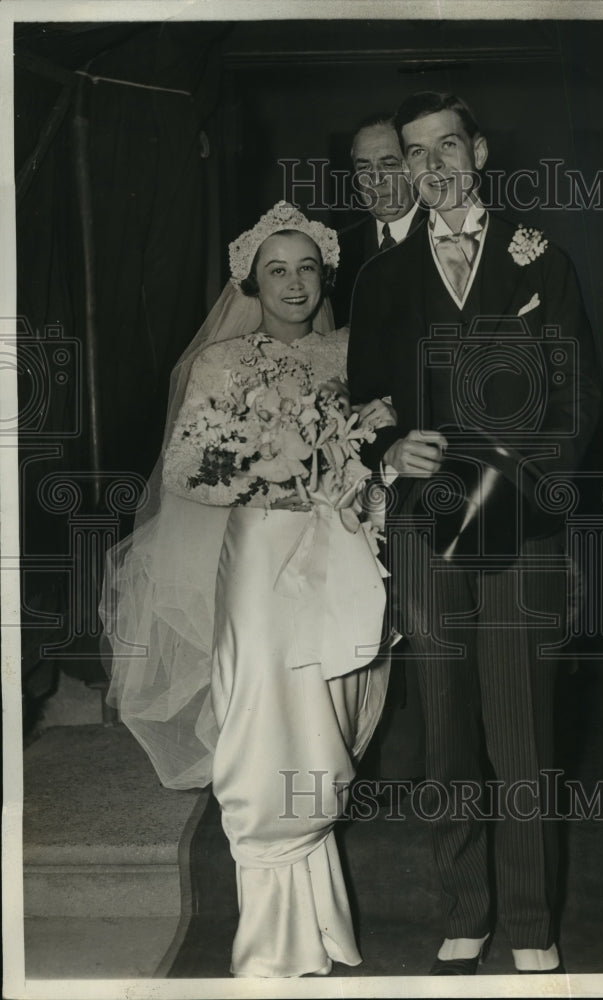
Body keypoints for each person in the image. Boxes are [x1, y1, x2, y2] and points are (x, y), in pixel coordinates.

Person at [101, 201, 393, 978]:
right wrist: (263, 471)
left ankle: (323, 924)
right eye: (276, 269)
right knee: (266, 721)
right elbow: (186, 469)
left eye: (306, 268)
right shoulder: (219, 365)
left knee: (328, 720)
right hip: (260, 567)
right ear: (249, 282)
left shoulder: (353, 353)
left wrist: (358, 476)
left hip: (338, 558)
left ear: (324, 275)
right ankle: (268, 938)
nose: (293, 283)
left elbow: (380, 448)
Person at [347, 92, 601, 975]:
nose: (429, 167)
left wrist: (521, 487)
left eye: (445, 147)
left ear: (479, 152)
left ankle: (531, 923)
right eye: (413, 154)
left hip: (519, 527)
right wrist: (390, 444)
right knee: (446, 724)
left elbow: (577, 402)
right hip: (424, 529)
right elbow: (365, 400)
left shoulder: (544, 263)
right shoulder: (380, 279)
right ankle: (464, 910)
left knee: (522, 729)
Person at [331, 113, 426, 327]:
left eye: (389, 165)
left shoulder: (446, 235)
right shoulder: (335, 249)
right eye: (364, 168)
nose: (376, 180)